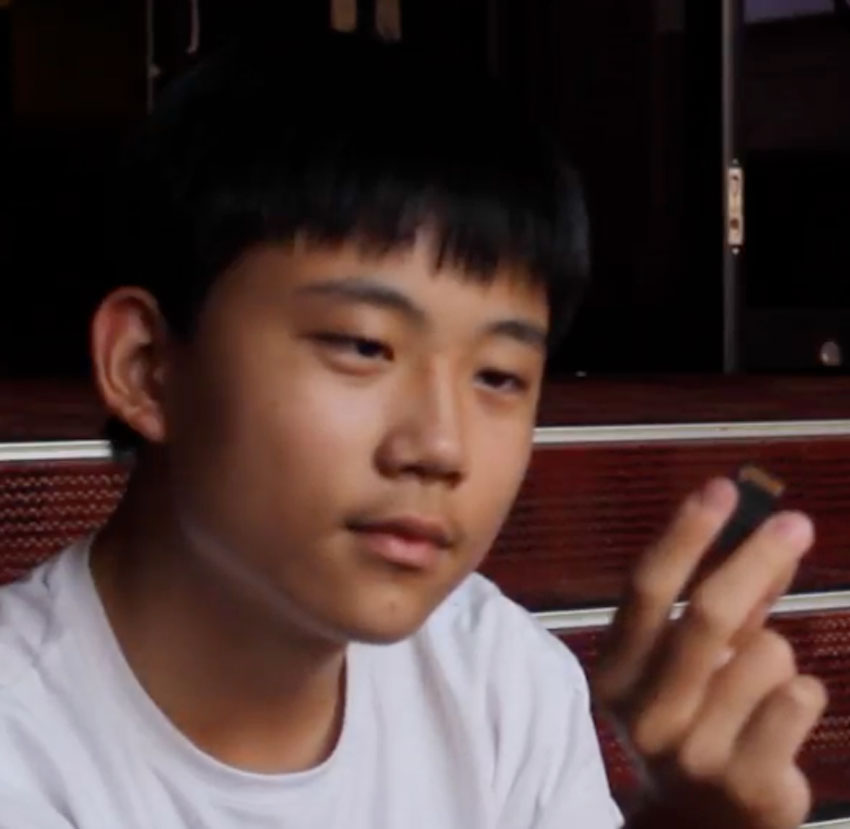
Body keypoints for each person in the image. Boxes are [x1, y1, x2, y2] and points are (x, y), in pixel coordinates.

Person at [0, 31, 825, 829]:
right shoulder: (24, 746)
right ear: (147, 366)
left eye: (498, 375)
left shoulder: (496, 680)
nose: (440, 446)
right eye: (364, 346)